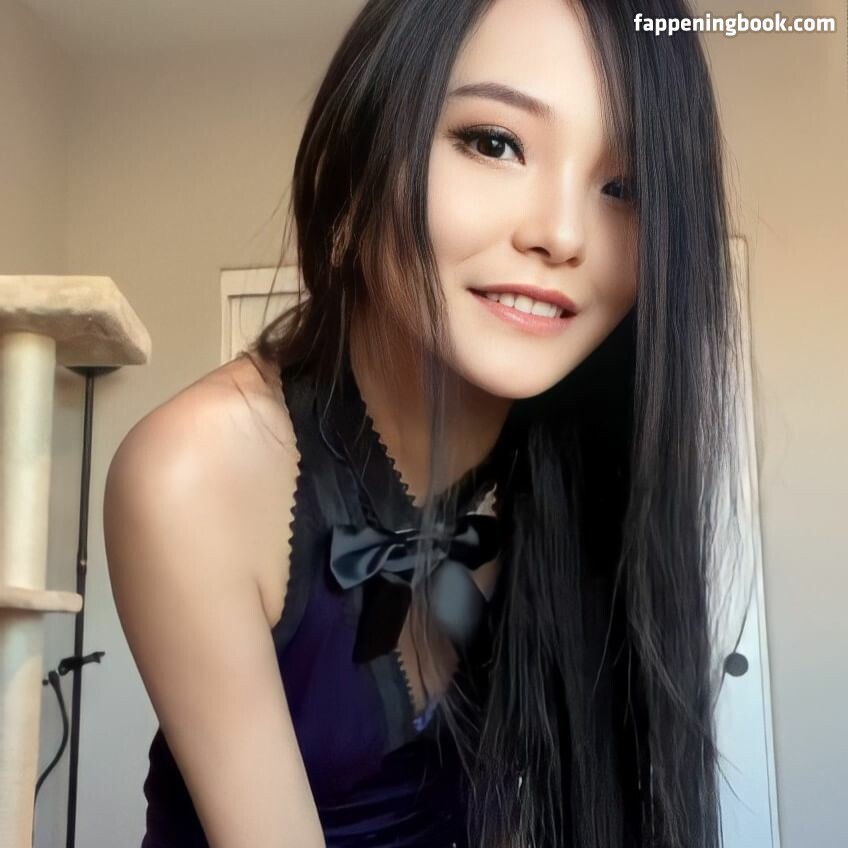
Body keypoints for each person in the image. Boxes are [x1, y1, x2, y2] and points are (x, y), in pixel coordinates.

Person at [104, 0, 742, 846]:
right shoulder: (196, 472)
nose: (562, 235)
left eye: (625, 188)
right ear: (364, 145)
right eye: (495, 142)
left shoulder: (584, 462)